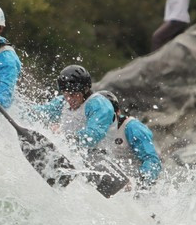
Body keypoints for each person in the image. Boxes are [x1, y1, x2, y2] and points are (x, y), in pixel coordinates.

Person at [33, 65, 162, 190]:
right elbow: (38, 113)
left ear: (117, 113)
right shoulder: (71, 106)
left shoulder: (132, 127)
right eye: (66, 95)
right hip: (106, 170)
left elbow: (152, 160)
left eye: (72, 95)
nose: (69, 99)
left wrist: (139, 182)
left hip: (132, 182)